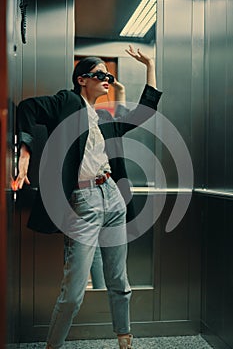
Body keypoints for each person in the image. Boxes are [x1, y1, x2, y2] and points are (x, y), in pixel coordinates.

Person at [15, 45, 162, 349]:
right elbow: (26, 108)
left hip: (112, 196)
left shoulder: (103, 119)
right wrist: (25, 152)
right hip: (82, 201)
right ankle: (52, 346)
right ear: (82, 79)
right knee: (73, 291)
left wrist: (150, 64)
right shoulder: (67, 102)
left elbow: (145, 113)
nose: (106, 79)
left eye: (109, 76)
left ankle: (125, 340)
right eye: (99, 75)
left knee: (119, 279)